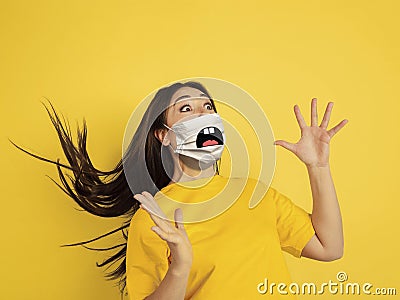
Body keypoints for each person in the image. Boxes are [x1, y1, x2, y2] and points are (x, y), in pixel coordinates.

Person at [10, 80, 347, 299]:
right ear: (164, 135)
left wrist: (318, 167)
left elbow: (329, 247)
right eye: (186, 108)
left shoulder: (254, 194)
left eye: (208, 107)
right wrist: (180, 267)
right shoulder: (154, 218)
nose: (203, 115)